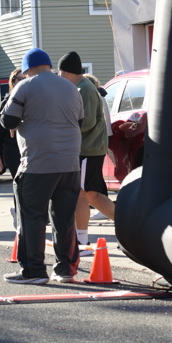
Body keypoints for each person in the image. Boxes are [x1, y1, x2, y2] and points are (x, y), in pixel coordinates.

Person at [0, 47, 84, 285]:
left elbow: (8, 121)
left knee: (32, 216)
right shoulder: (70, 87)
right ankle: (66, 269)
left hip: (38, 162)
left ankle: (34, 270)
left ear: (27, 69)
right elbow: (79, 121)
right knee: (64, 217)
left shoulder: (25, 86)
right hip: (69, 162)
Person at [57, 51, 113, 254]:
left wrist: (63, 128)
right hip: (88, 149)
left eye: (59, 72)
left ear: (66, 71)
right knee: (89, 195)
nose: (59, 76)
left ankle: (82, 242)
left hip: (88, 149)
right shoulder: (82, 87)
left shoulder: (84, 89)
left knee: (85, 194)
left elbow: (86, 121)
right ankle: (82, 241)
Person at [0, 69, 23, 180]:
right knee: (19, 183)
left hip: (30, 149)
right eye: (19, 79)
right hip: (12, 149)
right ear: (13, 82)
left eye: (25, 79)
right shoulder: (7, 103)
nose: (22, 81)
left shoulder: (32, 101)